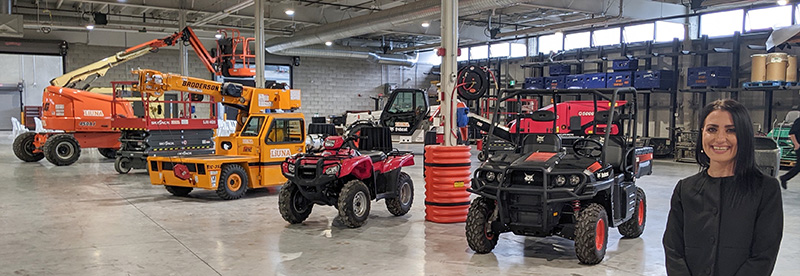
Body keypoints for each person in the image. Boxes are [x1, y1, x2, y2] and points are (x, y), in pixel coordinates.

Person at [663, 99, 783, 276]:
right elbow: (673, 249)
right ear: (702, 133)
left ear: (744, 136)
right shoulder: (685, 189)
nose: (720, 138)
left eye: (731, 130)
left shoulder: (766, 189)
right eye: (712, 129)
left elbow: (763, 256)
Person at [779, 114, 800, 189]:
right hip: (799, 146)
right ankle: (784, 178)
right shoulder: (798, 121)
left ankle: (785, 178)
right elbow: (792, 133)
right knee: (798, 167)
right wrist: (796, 144)